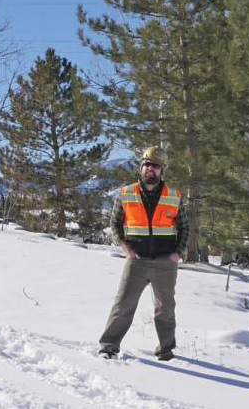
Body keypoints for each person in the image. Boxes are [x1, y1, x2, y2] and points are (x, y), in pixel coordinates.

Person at [98, 146, 189, 361]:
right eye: (147, 164)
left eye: (155, 166)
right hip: (136, 261)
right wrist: (125, 247)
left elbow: (185, 227)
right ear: (141, 167)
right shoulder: (126, 193)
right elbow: (115, 223)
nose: (150, 169)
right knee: (123, 305)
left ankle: (166, 350)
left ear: (162, 171)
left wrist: (177, 254)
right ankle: (108, 347)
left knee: (165, 309)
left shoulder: (174, 196)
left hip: (165, 262)